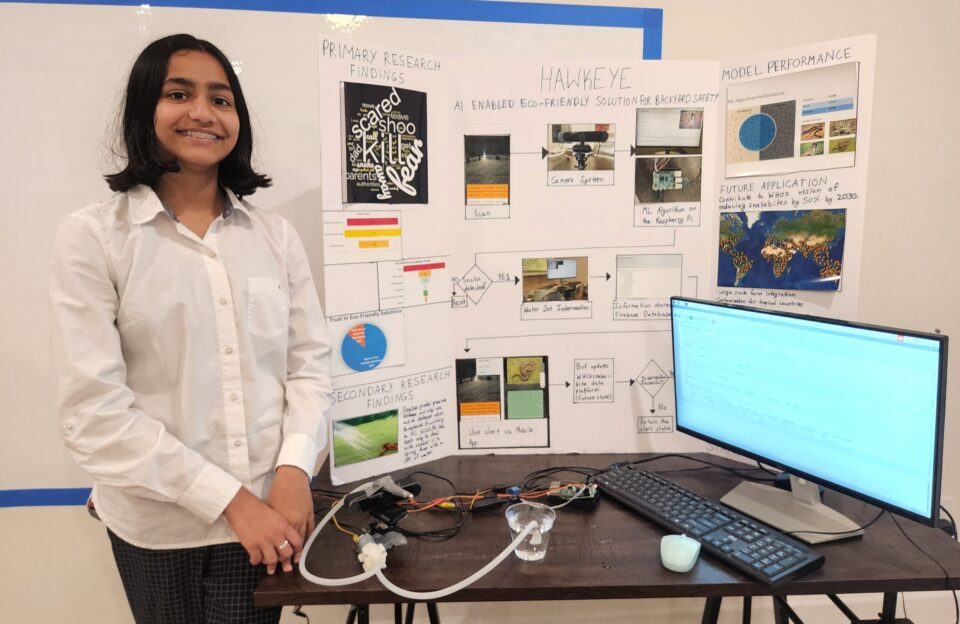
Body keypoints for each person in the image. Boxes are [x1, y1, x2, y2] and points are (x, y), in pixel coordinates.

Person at [49, 34, 332, 624]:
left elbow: (308, 367)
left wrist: (294, 470)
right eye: (179, 94)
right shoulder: (95, 237)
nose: (203, 112)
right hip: (159, 525)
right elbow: (94, 412)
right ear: (143, 111)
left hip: (269, 512)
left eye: (221, 99)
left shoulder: (274, 237)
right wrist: (231, 502)